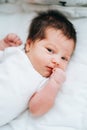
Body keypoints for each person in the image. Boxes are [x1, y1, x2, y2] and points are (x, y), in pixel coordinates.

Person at [0, 9, 76, 126]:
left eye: (64, 58)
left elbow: (36, 110)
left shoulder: (45, 83)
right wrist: (3, 46)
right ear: (29, 45)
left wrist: (54, 84)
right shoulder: (16, 52)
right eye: (50, 50)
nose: (56, 61)